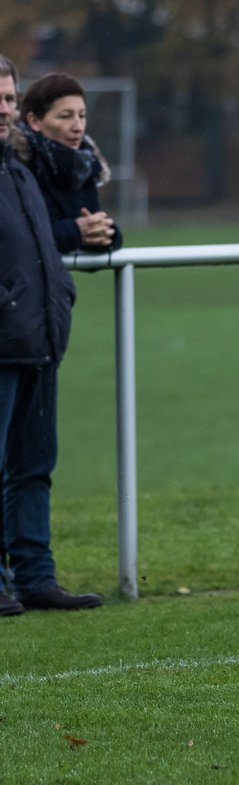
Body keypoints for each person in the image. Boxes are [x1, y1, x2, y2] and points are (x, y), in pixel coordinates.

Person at [0, 55, 102, 615]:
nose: (4, 109)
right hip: (5, 337)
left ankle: (36, 577)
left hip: (38, 339)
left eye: (10, 99)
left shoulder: (18, 171)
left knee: (36, 465)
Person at [14, 72, 121, 254]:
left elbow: (91, 229)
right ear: (34, 121)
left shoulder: (83, 165)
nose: (78, 126)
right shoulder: (14, 167)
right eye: (65, 116)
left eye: (82, 115)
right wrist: (76, 232)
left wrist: (106, 234)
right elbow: (17, 240)